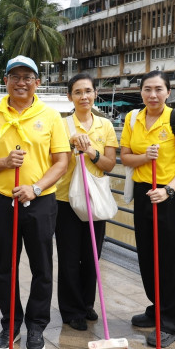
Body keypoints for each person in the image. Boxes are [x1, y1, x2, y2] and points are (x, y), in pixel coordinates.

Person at [0, 55, 70, 349]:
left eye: (27, 77)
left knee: (42, 266)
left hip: (40, 201)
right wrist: (3, 162)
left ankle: (36, 325)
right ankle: (10, 324)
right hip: (3, 200)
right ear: (5, 81)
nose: (21, 82)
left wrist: (35, 188)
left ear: (37, 82)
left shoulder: (51, 116)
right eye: (14, 76)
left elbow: (61, 162)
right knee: (6, 266)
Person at [121, 70, 175, 347]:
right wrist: (145, 157)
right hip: (145, 193)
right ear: (141, 92)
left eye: (158, 89)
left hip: (170, 195)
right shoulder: (133, 119)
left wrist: (168, 190)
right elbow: (125, 157)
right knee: (148, 255)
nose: (152, 95)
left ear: (168, 92)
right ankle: (157, 308)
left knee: (172, 258)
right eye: (147, 89)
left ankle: (171, 323)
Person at [54, 73, 118, 331]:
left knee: (92, 255)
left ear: (95, 94)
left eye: (88, 91)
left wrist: (91, 152)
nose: (84, 97)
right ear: (70, 97)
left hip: (95, 198)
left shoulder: (105, 126)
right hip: (65, 199)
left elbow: (110, 164)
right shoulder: (61, 125)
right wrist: (71, 145)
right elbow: (54, 161)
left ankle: (86, 303)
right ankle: (71, 310)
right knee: (69, 257)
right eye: (78, 92)